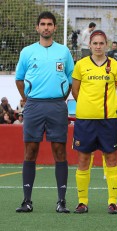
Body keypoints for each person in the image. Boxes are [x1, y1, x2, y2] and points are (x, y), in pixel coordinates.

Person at [15, 11, 74, 213]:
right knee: (30, 151)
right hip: (34, 106)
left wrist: (62, 98)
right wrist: (28, 98)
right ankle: (27, 201)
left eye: (50, 24)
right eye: (43, 24)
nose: (46, 27)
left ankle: (61, 201)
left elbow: (71, 78)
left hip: (57, 106)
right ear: (37, 27)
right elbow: (19, 79)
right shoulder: (27, 52)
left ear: (55, 28)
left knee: (59, 151)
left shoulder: (64, 52)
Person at [72, 29, 117, 214]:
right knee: (83, 159)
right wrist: (88, 106)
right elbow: (75, 91)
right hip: (85, 120)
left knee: (111, 158)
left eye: (101, 43)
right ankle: (82, 202)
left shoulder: (115, 66)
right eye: (94, 43)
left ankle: (113, 202)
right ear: (90, 45)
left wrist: (110, 106)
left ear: (106, 45)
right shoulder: (80, 65)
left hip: (108, 120)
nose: (98, 46)